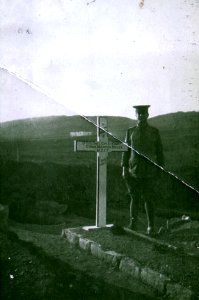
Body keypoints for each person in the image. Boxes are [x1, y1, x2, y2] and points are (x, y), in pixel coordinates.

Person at [121, 105, 164, 236]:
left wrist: (160, 170)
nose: (141, 116)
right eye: (138, 114)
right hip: (133, 171)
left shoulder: (154, 132)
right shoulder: (130, 131)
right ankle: (133, 223)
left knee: (149, 199)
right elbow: (125, 151)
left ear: (147, 115)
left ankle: (150, 227)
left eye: (143, 113)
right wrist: (124, 168)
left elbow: (160, 153)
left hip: (149, 172)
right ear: (136, 115)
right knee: (134, 197)